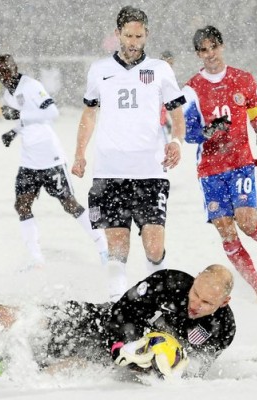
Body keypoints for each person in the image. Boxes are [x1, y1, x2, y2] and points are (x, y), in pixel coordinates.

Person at [0, 264, 236, 380]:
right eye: (195, 294)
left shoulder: (221, 330)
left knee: (71, 367)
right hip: (103, 322)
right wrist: (120, 344)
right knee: (21, 315)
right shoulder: (169, 281)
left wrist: (151, 366)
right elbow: (121, 312)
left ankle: (10, 365)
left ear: (224, 302)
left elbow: (192, 370)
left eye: (206, 303)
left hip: (122, 360)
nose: (195, 304)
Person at [71, 6, 187, 301]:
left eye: (139, 36)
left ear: (146, 35)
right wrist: (80, 153)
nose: (134, 42)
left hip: (150, 169)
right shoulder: (99, 70)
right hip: (109, 171)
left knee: (154, 247)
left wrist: (176, 141)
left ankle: (157, 299)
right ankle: (116, 303)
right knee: (117, 245)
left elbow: (176, 112)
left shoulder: (160, 69)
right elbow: (89, 114)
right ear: (117, 34)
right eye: (128, 36)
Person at [182, 26, 257, 303]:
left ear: (221, 46)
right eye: (203, 50)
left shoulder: (242, 78)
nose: (210, 54)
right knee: (226, 230)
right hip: (210, 170)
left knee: (247, 223)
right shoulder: (191, 89)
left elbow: (253, 107)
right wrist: (209, 131)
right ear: (198, 54)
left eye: (213, 47)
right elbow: (188, 133)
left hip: (239, 162)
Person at [0, 54, 108, 270]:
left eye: (7, 70)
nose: (4, 75)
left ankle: (103, 247)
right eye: (0, 72)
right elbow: (28, 118)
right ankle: (36, 259)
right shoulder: (8, 94)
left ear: (15, 68)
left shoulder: (31, 85)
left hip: (49, 156)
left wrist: (20, 115)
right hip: (29, 159)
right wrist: (14, 131)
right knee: (22, 205)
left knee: (70, 204)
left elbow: (51, 111)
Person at [160, 50, 175, 137]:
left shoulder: (169, 78)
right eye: (168, 63)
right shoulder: (157, 77)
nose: (170, 67)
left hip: (161, 124)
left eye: (171, 64)